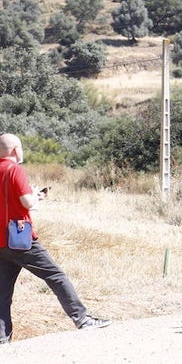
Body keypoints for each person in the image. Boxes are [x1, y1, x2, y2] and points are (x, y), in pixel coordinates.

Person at [0, 133, 110, 343]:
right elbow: (26, 203)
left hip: (0, 240)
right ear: (15, 150)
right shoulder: (15, 170)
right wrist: (36, 196)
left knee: (2, 294)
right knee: (57, 277)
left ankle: (2, 339)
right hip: (20, 238)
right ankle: (82, 319)